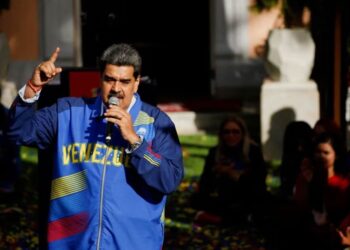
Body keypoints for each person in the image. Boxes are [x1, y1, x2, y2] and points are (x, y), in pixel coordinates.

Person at [7, 43, 184, 249]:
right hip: (72, 243)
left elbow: (170, 180)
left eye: (124, 81)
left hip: (133, 242)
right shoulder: (68, 113)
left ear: (136, 83)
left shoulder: (157, 122)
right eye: (109, 79)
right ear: (100, 79)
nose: (116, 88)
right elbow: (16, 133)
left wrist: (136, 142)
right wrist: (32, 88)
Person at [192, 116, 267, 225]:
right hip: (224, 196)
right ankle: (239, 219)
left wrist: (232, 173)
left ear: (242, 134)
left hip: (247, 195)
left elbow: (258, 183)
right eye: (226, 132)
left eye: (235, 132)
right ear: (221, 135)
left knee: (260, 203)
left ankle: (220, 219)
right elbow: (205, 184)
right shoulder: (215, 152)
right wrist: (216, 172)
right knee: (197, 199)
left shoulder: (253, 152)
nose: (231, 136)